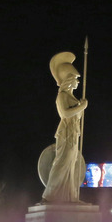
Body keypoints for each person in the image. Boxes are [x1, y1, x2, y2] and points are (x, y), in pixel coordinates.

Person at [39, 51, 88, 203]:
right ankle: (48, 196)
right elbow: (65, 114)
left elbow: (75, 115)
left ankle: (72, 197)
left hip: (74, 133)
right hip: (65, 133)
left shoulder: (72, 97)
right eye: (75, 79)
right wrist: (82, 107)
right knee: (62, 164)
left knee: (71, 166)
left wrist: (80, 106)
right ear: (68, 80)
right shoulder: (62, 96)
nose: (78, 82)